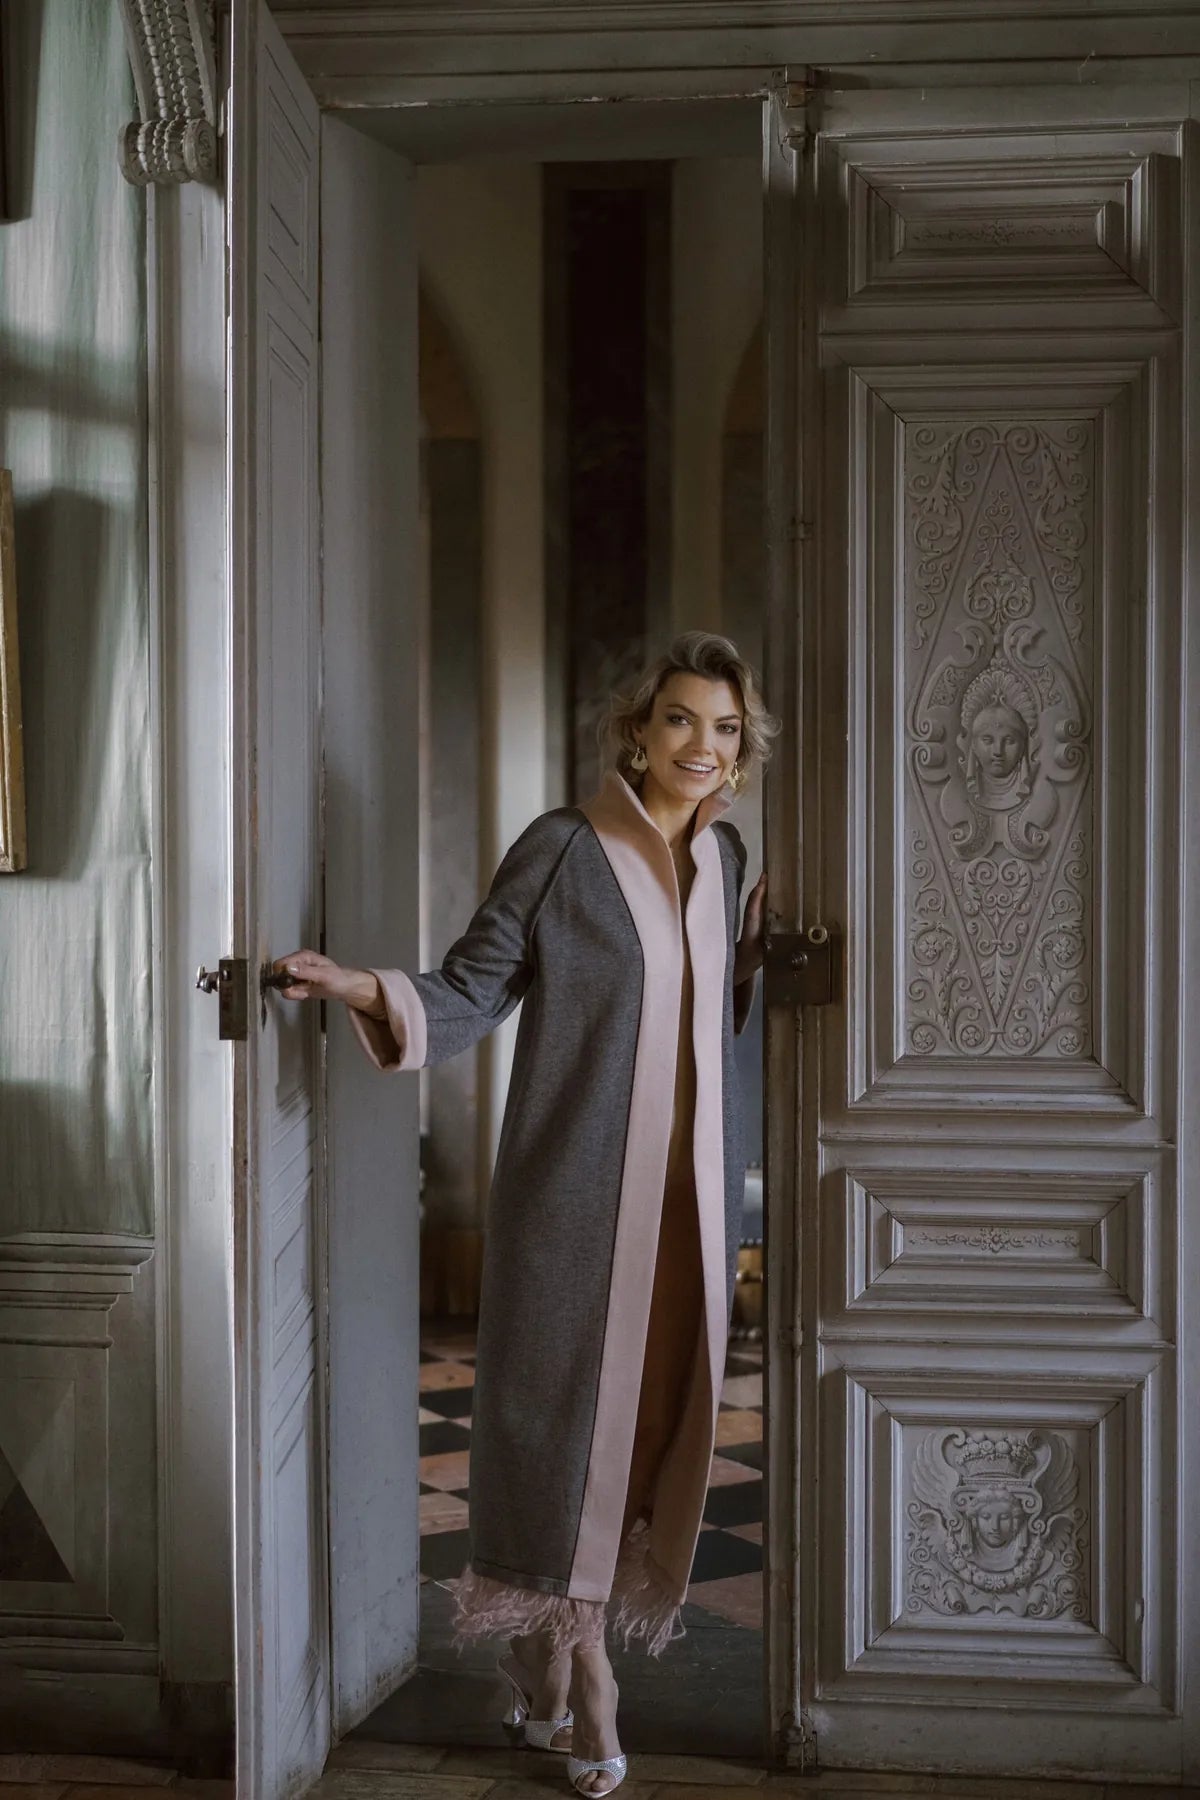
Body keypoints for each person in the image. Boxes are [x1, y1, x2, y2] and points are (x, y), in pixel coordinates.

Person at [276, 631, 776, 1796]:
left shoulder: (727, 857)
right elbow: (474, 985)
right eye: (681, 719)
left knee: (647, 1427)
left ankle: (545, 1657)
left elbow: (703, 1008)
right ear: (637, 730)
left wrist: (756, 952)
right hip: (576, 1200)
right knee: (558, 1430)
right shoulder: (564, 847)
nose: (702, 745)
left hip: (691, 1209)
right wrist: (362, 985)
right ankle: (588, 1671)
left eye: (725, 727)